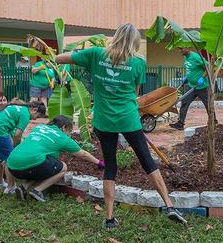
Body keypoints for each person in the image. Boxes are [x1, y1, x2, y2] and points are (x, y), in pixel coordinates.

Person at [56, 23, 182, 229]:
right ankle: (169, 206)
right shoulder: (138, 63)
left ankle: (109, 218)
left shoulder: (96, 54)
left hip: (104, 121)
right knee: (147, 161)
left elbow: (60, 59)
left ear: (115, 37)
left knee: (111, 167)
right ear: (133, 41)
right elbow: (135, 91)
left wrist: (64, 57)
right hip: (129, 119)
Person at [8, 115, 104, 201]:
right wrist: (98, 162)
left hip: (12, 166)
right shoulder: (62, 137)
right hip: (31, 166)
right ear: (64, 127)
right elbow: (83, 154)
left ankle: (23, 187)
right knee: (63, 168)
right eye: (69, 131)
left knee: (41, 166)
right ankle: (37, 191)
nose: (69, 134)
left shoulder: (40, 127)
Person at [0, 99, 46, 194]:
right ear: (34, 109)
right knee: (10, 159)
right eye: (38, 116)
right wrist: (16, 148)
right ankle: (11, 187)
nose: (35, 119)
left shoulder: (19, 107)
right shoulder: (25, 114)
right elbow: (17, 134)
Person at [170, 47, 210, 130]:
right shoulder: (185, 57)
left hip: (201, 86)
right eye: (179, 49)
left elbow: (208, 66)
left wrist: (202, 78)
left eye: (181, 49)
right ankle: (180, 123)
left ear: (188, 48)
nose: (180, 51)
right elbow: (190, 70)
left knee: (207, 104)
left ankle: (213, 121)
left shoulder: (196, 57)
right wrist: (187, 78)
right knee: (184, 102)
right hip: (191, 85)